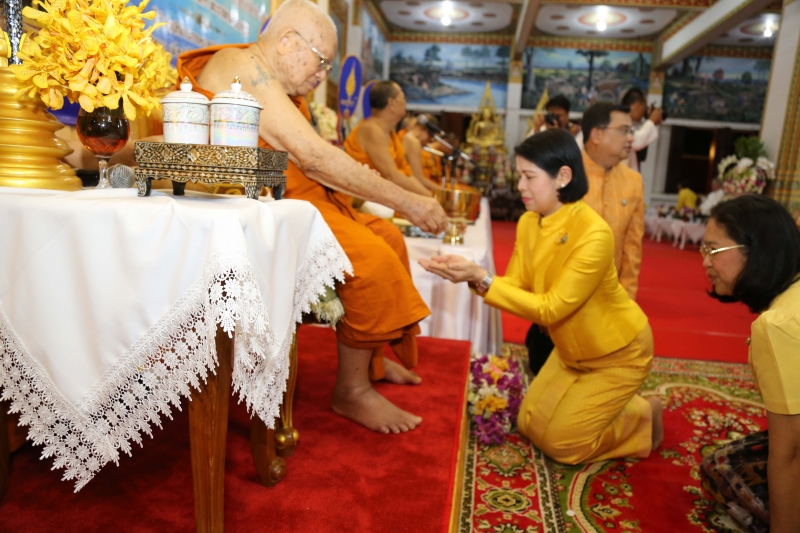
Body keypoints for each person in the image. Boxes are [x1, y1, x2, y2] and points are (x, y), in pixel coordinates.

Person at [178, 0, 449, 434]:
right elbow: (311, 157)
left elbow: (313, 159)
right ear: (287, 41)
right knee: (373, 261)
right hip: (258, 207)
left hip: (301, 200)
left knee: (390, 240)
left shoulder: (281, 86)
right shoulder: (240, 64)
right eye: (321, 62)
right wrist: (408, 201)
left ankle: (371, 366)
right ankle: (352, 392)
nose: (323, 75)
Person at [420, 129, 663, 464]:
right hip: (568, 351)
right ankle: (614, 405)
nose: (520, 186)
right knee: (529, 423)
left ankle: (643, 416)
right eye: (520, 175)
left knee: (564, 446)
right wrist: (470, 277)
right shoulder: (528, 223)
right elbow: (516, 284)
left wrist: (483, 278)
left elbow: (550, 309)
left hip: (616, 352)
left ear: (563, 176)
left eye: (529, 177)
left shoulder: (593, 233)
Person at [699, 195, 800, 533]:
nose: (705, 263)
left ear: (755, 250)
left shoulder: (778, 325)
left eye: (714, 250)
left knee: (723, 467)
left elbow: (792, 451)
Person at [581, 102, 645, 301]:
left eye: (631, 131)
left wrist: (627, 302)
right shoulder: (564, 175)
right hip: (561, 303)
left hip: (609, 299)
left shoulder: (633, 181)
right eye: (623, 131)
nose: (631, 138)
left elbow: (632, 250)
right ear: (597, 135)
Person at [344, 81, 434, 196]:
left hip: (388, 195)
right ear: (392, 103)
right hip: (365, 198)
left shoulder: (390, 133)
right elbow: (391, 176)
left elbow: (406, 173)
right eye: (403, 98)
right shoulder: (372, 130)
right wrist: (429, 197)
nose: (406, 103)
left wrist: (430, 197)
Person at [620, 88, 663, 172]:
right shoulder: (619, 121)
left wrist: (649, 121)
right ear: (637, 105)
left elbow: (641, 153)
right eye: (644, 107)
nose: (644, 111)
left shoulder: (628, 122)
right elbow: (637, 142)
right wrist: (651, 121)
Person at [398, 114, 440, 188]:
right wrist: (444, 191)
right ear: (428, 131)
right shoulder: (413, 141)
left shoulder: (408, 136)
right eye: (430, 138)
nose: (428, 141)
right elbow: (418, 178)